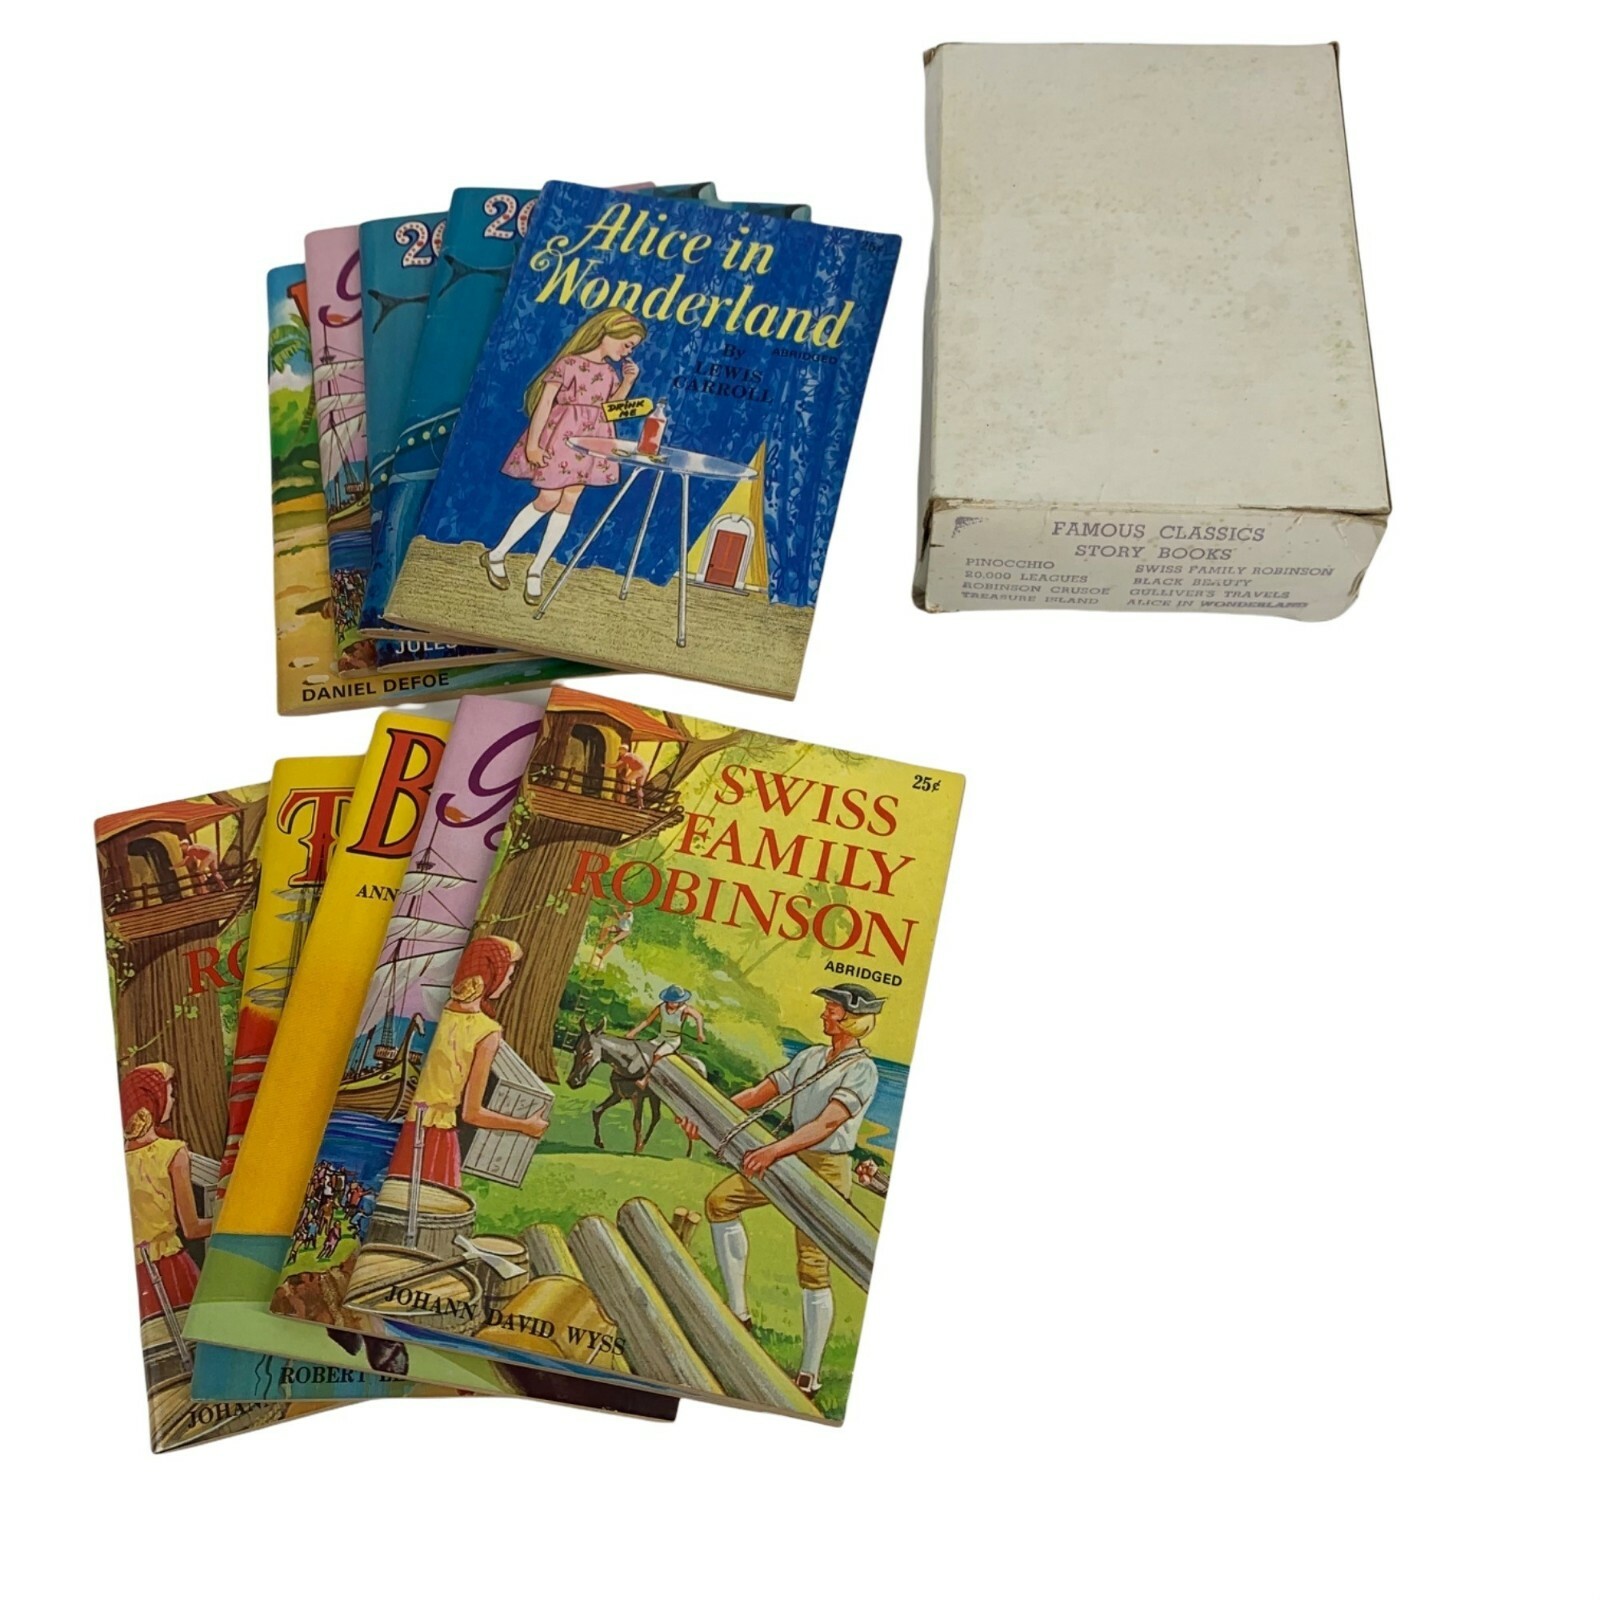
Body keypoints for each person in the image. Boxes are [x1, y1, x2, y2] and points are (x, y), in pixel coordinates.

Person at [683, 982, 883, 1400]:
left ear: (852, 1019)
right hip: (788, 1155)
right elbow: (761, 1093)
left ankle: (809, 1373)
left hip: (826, 1166)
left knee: (813, 1265)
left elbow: (828, 1123)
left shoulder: (863, 1069)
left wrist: (773, 1150)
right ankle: (739, 1312)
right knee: (721, 1202)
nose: (825, 1014)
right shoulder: (810, 1056)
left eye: (832, 1009)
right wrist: (704, 1113)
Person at [481, 308, 646, 602]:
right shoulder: (568, 363)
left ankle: (537, 569)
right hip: (561, 436)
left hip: (592, 440)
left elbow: (611, 410)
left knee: (569, 500)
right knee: (547, 498)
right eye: (627, 344)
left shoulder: (610, 372)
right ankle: (497, 554)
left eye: (632, 347)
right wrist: (533, 445)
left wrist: (627, 383)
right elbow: (545, 404)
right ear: (608, 333)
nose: (628, 351)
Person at [389, 935, 548, 1187]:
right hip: (436, 1138)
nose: (509, 981)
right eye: (508, 974)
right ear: (493, 975)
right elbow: (472, 1113)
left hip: (407, 1128)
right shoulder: (486, 1031)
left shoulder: (434, 1012)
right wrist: (525, 1126)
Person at [122, 1063, 211, 1318]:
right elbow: (192, 1229)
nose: (172, 1101)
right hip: (168, 1270)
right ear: (155, 1100)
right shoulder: (172, 1152)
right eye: (170, 1094)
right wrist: (232, 1220)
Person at [627, 984, 706, 1064]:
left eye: (675, 1002)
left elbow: (699, 1017)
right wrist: (634, 1031)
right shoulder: (661, 1007)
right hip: (661, 1037)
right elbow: (647, 1021)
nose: (672, 1004)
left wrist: (700, 1033)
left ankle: (651, 1071)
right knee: (646, 1048)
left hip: (673, 1040)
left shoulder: (684, 1009)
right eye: (670, 1001)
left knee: (657, 1055)